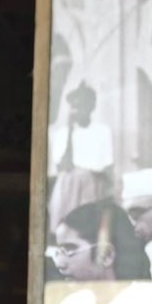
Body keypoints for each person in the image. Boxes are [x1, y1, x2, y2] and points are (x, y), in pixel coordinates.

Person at [46, 81, 116, 236]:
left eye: (82, 105)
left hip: (93, 184)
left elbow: (107, 166)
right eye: (74, 106)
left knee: (88, 231)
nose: (77, 110)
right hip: (69, 186)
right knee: (65, 229)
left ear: (91, 107)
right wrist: (71, 130)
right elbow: (63, 166)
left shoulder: (102, 131)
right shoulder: (63, 134)